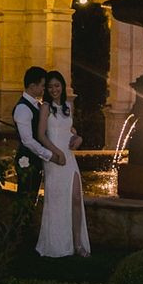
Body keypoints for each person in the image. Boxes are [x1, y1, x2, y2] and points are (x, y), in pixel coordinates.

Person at [36, 70, 90, 258]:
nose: (54, 90)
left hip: (69, 158)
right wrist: (57, 153)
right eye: (50, 87)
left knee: (76, 198)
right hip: (55, 159)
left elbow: (70, 130)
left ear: (62, 86)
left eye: (57, 85)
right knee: (58, 201)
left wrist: (79, 138)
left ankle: (77, 243)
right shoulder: (45, 107)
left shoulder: (68, 106)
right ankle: (58, 244)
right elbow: (41, 135)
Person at [13, 65, 62, 196]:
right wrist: (50, 155)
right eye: (42, 85)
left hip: (36, 160)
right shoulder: (23, 108)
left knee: (32, 197)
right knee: (26, 198)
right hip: (27, 161)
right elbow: (28, 141)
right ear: (32, 86)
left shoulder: (36, 105)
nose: (44, 89)